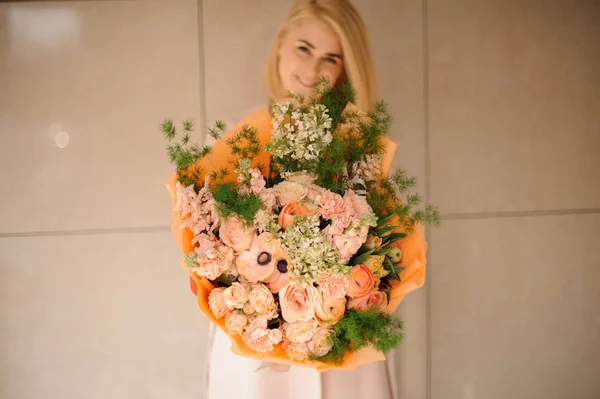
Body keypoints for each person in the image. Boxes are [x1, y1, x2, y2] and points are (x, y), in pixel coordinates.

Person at [194, 1, 419, 398]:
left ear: (346, 68)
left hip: (341, 354)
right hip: (256, 359)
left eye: (330, 58)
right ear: (280, 46)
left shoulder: (359, 154)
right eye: (303, 48)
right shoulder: (231, 148)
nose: (313, 70)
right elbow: (208, 257)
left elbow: (385, 260)